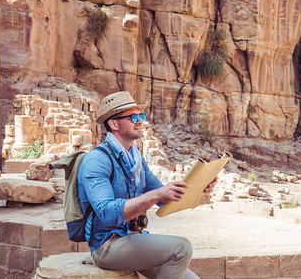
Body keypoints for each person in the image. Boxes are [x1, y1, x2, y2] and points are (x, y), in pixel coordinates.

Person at [78, 91, 217, 279]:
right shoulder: (97, 160)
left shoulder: (136, 160)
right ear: (113, 124)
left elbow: (166, 201)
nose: (140, 121)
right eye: (133, 117)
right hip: (106, 245)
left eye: (141, 116)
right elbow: (108, 214)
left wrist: (201, 190)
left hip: (132, 238)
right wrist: (156, 195)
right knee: (181, 248)